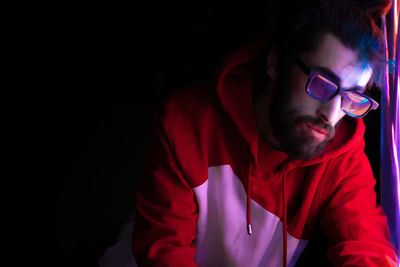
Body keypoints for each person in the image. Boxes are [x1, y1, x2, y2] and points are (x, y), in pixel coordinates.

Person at [133, 0, 399, 266]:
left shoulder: (341, 155)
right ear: (276, 62)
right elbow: (164, 252)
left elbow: (366, 247)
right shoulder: (185, 124)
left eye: (351, 97)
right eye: (321, 83)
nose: (330, 115)